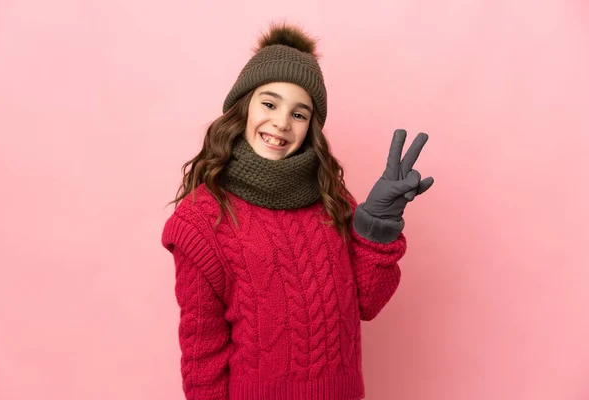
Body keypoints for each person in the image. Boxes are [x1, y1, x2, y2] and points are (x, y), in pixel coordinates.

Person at [161, 22, 433, 400]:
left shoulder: (330, 195)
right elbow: (202, 354)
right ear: (243, 107)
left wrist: (377, 225)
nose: (281, 123)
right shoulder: (202, 220)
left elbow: (367, 304)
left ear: (311, 127)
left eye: (299, 114)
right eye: (269, 104)